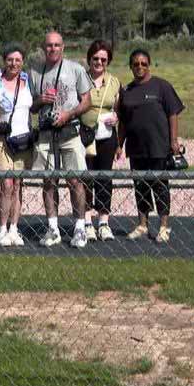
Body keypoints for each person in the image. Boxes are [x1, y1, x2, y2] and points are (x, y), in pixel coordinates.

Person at [29, 31, 92, 248]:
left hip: (70, 131)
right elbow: (31, 106)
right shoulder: (35, 71)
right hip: (46, 133)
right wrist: (40, 100)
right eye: (49, 45)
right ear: (43, 47)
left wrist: (69, 114)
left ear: (63, 47)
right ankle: (53, 228)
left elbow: (87, 101)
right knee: (48, 181)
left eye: (57, 45)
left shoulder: (75, 69)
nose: (53, 49)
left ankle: (80, 228)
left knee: (75, 181)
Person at [117, 49, 185, 243]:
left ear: (149, 65)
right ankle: (142, 225)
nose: (140, 67)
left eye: (143, 63)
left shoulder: (161, 86)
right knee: (140, 186)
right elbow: (122, 121)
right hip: (136, 148)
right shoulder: (127, 91)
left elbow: (173, 113)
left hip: (158, 146)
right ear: (130, 66)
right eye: (136, 64)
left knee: (160, 185)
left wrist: (173, 140)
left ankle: (164, 227)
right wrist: (119, 144)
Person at [0, 43, 34, 247]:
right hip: (3, 140)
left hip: (23, 140)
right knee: (6, 185)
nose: (13, 63)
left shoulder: (28, 80)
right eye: (10, 59)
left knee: (18, 185)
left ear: (22, 62)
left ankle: (14, 228)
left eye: (17, 60)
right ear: (4, 60)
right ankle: (1, 229)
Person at [81, 40, 122, 242]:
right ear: (89, 58)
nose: (99, 62)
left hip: (107, 136)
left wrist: (116, 118)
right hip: (84, 135)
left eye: (103, 59)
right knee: (86, 177)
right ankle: (87, 221)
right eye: (95, 58)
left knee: (104, 177)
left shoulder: (115, 82)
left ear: (108, 61)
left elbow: (118, 108)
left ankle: (103, 222)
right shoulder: (80, 78)